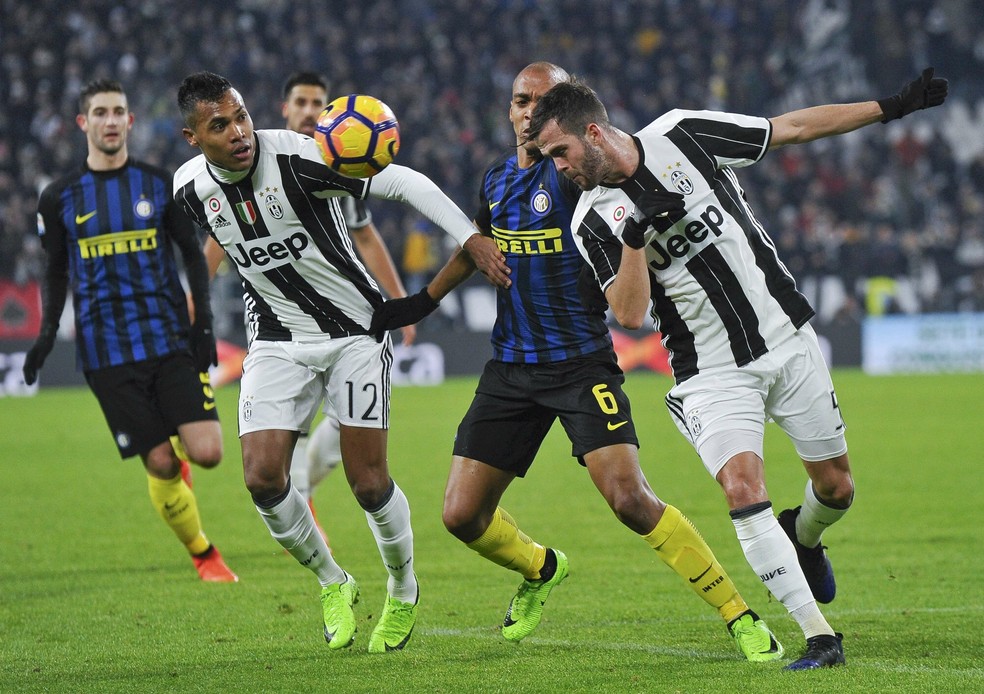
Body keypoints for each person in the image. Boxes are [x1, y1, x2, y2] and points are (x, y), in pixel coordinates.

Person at [526, 68, 948, 670]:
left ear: (592, 132)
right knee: (742, 490)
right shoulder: (592, 220)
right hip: (709, 369)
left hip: (786, 335)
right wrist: (637, 236)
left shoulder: (685, 134)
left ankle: (804, 536)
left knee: (837, 487)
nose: (558, 167)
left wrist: (893, 105)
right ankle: (819, 637)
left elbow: (792, 127)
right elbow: (629, 313)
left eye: (560, 152)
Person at [370, 62, 782, 661]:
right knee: (460, 515)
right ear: (509, 110)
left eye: (542, 103)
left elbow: (620, 184)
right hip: (510, 367)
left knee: (630, 500)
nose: (529, 112)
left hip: (581, 365)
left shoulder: (575, 180)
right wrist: (421, 303)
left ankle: (738, 614)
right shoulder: (494, 182)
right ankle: (542, 568)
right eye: (520, 101)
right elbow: (476, 246)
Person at [173, 71, 510, 653]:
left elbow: (403, 183)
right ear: (192, 137)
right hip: (277, 340)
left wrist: (470, 236)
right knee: (260, 477)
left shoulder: (302, 159)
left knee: (368, 483)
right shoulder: (188, 189)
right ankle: (334, 581)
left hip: (354, 332)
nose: (239, 132)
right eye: (219, 125)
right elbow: (217, 242)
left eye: (243, 116)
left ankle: (403, 590)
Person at [23, 79, 237, 583]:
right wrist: (47, 335)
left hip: (168, 338)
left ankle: (180, 444)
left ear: (130, 121)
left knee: (207, 453)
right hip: (107, 352)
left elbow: (191, 253)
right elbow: (55, 271)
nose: (111, 120)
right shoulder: (58, 198)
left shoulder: (159, 184)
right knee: (161, 463)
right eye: (101, 112)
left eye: (119, 111)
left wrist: (202, 323)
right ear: (85, 124)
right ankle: (204, 554)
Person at [200, 71, 417, 548]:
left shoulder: (338, 162)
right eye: (300, 101)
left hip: (346, 321)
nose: (308, 110)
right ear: (283, 109)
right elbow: (219, 236)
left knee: (350, 437)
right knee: (276, 447)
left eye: (318, 103)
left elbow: (364, 234)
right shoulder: (249, 167)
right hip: (281, 326)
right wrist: (196, 304)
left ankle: (307, 487)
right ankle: (300, 493)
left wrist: (399, 299)